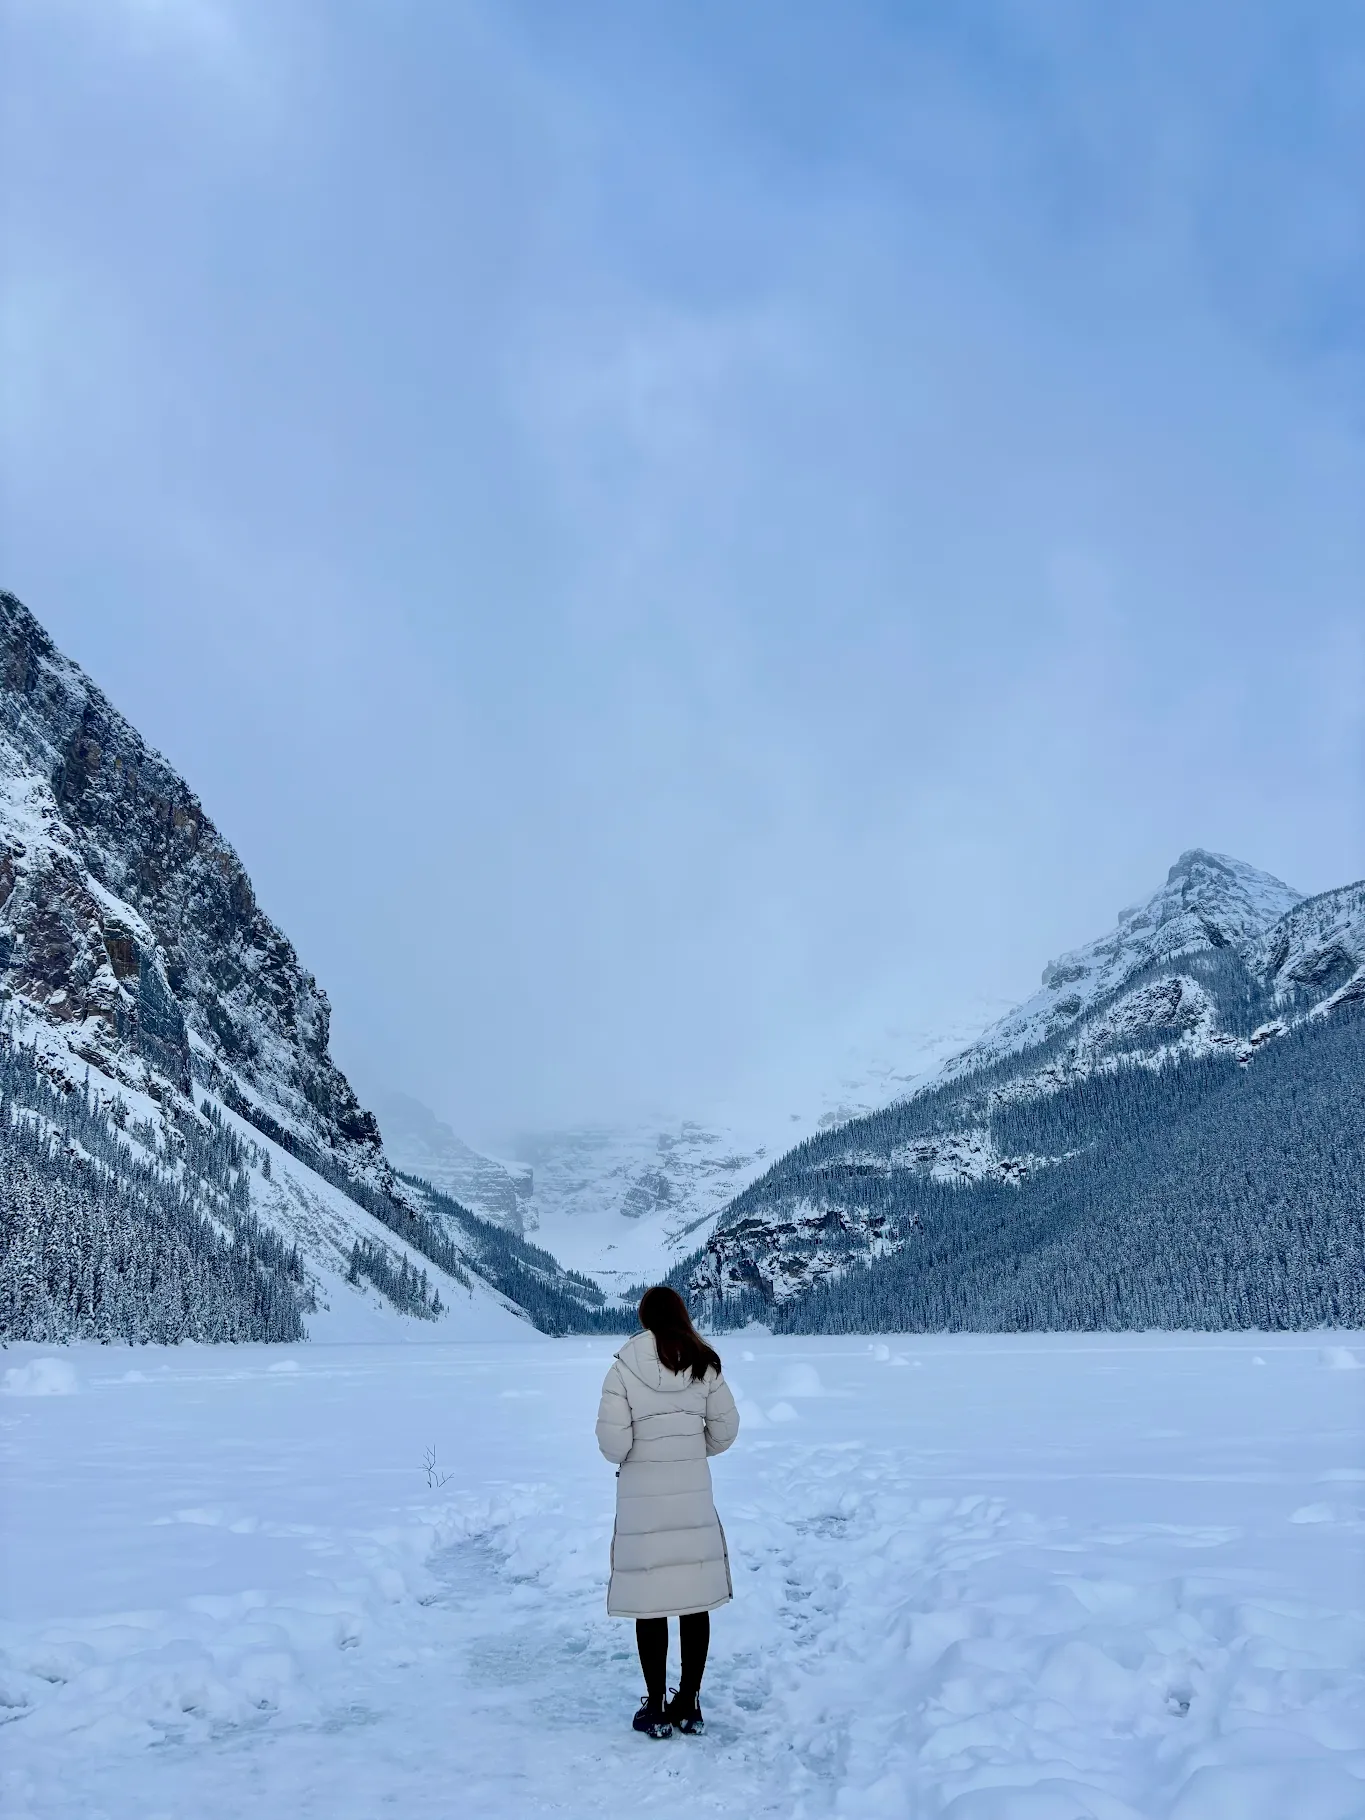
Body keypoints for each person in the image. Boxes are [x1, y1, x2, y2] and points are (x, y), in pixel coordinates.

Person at [595, 1285, 740, 1739]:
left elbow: (613, 1445)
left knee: (651, 1602)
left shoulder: (623, 1367)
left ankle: (655, 1707)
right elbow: (726, 1430)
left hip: (643, 1503)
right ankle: (690, 1702)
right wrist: (692, 1452)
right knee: (695, 1599)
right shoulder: (704, 1361)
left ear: (643, 1317)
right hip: (692, 1496)